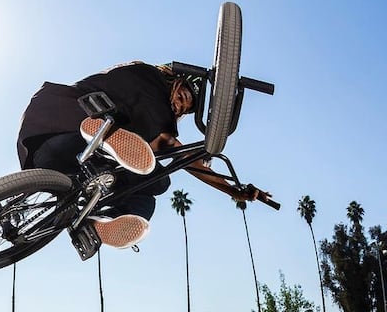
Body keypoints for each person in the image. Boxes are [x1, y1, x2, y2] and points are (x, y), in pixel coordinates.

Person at [17, 61, 266, 249]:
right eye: (181, 97)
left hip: (58, 163)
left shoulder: (162, 125)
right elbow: (169, 143)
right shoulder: (147, 77)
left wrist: (232, 189)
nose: (179, 106)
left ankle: (97, 224)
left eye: (185, 109)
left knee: (156, 183)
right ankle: (103, 130)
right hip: (61, 126)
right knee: (154, 143)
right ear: (177, 82)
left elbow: (187, 160)